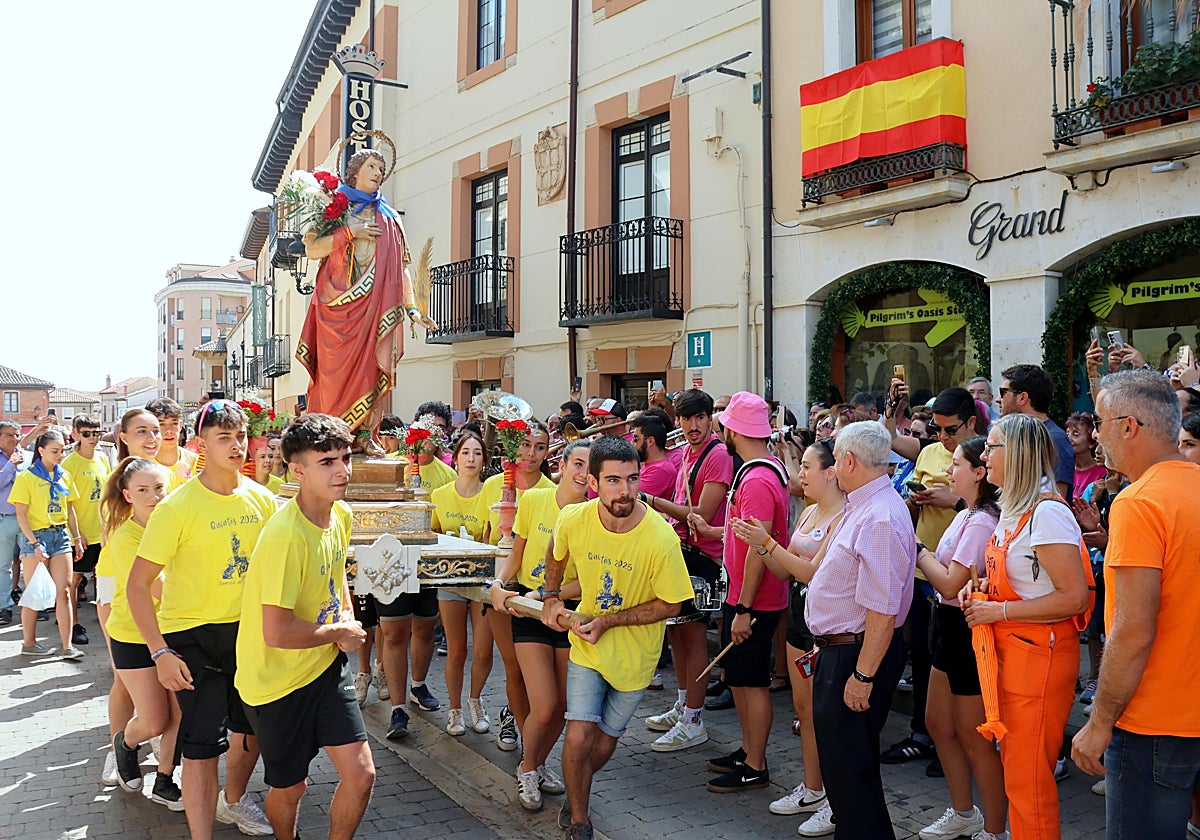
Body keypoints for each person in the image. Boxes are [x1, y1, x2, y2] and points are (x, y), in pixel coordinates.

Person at [126, 399, 275, 839]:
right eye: (223, 438)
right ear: (201, 444)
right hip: (192, 637)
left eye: (240, 436)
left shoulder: (263, 500)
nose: (235, 446)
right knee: (202, 747)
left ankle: (235, 800)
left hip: (248, 635)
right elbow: (138, 586)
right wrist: (160, 652)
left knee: (250, 733)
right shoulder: (176, 506)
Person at [540, 436, 694, 840]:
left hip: (636, 659)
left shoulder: (660, 538)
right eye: (612, 480)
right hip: (587, 651)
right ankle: (579, 820)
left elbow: (674, 604)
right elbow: (555, 550)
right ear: (592, 482)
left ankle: (578, 790)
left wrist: (609, 621)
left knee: (604, 745)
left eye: (631, 479)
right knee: (578, 733)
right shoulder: (574, 518)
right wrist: (551, 596)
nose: (624, 491)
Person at [1071, 370, 1200, 839]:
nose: (1095, 434)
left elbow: (1132, 628)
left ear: (1129, 426)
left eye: (1099, 421)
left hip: (1153, 722)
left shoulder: (1139, 501)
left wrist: (1099, 722)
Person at [236, 414, 376, 840]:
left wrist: (346, 617)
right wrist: (338, 633)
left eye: (346, 458)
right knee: (291, 787)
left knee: (361, 775)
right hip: (275, 682)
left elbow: (335, 579)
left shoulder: (342, 515)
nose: (342, 471)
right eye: (327, 462)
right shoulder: (283, 536)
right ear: (297, 470)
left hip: (325, 668)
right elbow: (275, 632)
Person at [960, 413, 1090, 840]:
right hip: (1016, 655)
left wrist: (998, 613)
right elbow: (1024, 582)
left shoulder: (1047, 513)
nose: (984, 455)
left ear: (1015, 454)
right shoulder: (1015, 508)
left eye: (992, 447)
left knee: (1029, 783)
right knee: (1018, 776)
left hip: (1040, 659)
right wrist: (980, 591)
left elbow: (1075, 598)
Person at [805, 421, 916, 839]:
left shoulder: (880, 516)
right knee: (847, 776)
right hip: (846, 652)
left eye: (834, 458)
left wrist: (862, 676)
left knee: (852, 778)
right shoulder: (867, 506)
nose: (832, 467)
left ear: (849, 461)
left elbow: (883, 611)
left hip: (855, 656)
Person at [731, 437, 843, 836]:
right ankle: (813, 787)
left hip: (826, 624)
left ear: (831, 472)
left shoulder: (844, 515)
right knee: (804, 710)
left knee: (827, 716)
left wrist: (765, 543)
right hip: (799, 618)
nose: (800, 475)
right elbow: (786, 571)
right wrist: (759, 546)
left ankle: (836, 798)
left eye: (806, 467)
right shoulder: (809, 512)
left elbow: (812, 572)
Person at [297, 146, 437, 455]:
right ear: (356, 171)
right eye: (372, 167)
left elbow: (401, 268)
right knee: (332, 379)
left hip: (375, 307)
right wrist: (351, 231)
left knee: (373, 370)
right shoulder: (335, 206)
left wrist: (412, 308)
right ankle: (328, 435)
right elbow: (313, 249)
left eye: (381, 170)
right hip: (336, 307)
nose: (378, 174)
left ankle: (364, 435)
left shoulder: (389, 218)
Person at [884, 386, 987, 773]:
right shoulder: (928, 451)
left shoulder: (981, 454)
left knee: (959, 665)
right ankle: (928, 736)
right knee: (925, 655)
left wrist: (955, 501)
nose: (942, 438)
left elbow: (990, 506)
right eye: (936, 429)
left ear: (971, 423)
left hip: (960, 576)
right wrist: (916, 501)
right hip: (924, 566)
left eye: (950, 430)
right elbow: (889, 440)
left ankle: (960, 742)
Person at [691, 391, 790, 794]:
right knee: (740, 678)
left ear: (734, 429)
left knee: (751, 682)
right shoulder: (759, 470)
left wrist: (745, 607)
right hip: (746, 595)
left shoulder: (758, 477)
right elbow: (744, 534)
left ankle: (756, 763)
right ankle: (749, 750)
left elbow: (757, 546)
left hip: (755, 598)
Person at [489, 439, 591, 811]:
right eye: (577, 464)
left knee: (563, 705)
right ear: (561, 466)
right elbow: (516, 551)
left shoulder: (594, 513)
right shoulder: (532, 500)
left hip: (567, 611)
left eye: (589, 467)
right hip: (530, 611)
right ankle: (528, 768)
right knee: (545, 705)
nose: (582, 473)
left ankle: (540, 761)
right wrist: (500, 584)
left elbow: (588, 578)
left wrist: (550, 594)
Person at [913, 437, 1007, 840]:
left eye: (956, 464)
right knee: (938, 723)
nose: (948, 471)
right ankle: (962, 811)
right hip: (946, 627)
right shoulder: (965, 513)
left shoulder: (983, 519)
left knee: (974, 737)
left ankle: (994, 828)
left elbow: (951, 583)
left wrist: (918, 552)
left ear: (979, 473)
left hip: (967, 630)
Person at [638, 389, 733, 747]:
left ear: (710, 419)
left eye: (700, 418)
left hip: (706, 559)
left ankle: (694, 719)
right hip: (684, 551)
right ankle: (683, 706)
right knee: (677, 632)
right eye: (686, 418)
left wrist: (651, 501)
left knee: (693, 638)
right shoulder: (689, 453)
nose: (693, 425)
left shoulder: (717, 455)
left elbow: (702, 516)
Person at [100, 458, 183, 809]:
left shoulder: (177, 525)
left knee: (182, 713)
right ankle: (126, 743)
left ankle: (166, 778)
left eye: (160, 488)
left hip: (178, 630)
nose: (154, 496)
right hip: (134, 637)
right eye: (143, 490)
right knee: (153, 720)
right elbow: (162, 589)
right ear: (127, 495)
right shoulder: (125, 538)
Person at [483, 420, 555, 749]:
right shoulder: (495, 485)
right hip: (502, 585)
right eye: (525, 445)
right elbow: (487, 537)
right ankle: (518, 724)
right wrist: (494, 582)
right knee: (512, 666)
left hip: (538, 590)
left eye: (539, 447)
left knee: (536, 673)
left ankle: (532, 741)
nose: (531, 453)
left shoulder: (554, 492)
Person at [431, 432, 494, 736]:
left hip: (482, 582)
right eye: (465, 453)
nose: (471, 459)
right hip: (451, 580)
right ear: (454, 458)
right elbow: (432, 535)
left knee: (483, 651)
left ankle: (475, 699)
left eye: (477, 453)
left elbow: (495, 536)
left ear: (484, 460)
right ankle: (454, 709)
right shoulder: (440, 495)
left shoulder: (492, 493)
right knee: (456, 650)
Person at [9, 429, 84, 659]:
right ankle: (29, 642)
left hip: (60, 535)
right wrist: (34, 543)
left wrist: (77, 538)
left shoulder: (64, 475)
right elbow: (21, 514)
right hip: (36, 538)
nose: (60, 455)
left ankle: (67, 645)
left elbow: (70, 509)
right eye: (55, 451)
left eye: (62, 450)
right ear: (40, 450)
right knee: (34, 593)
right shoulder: (27, 478)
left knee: (64, 590)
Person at [63, 414, 109, 644]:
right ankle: (73, 625)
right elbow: (67, 503)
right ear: (76, 434)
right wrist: (76, 534)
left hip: (103, 532)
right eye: (87, 433)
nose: (93, 438)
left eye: (96, 433)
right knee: (73, 581)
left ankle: (108, 622)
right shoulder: (68, 464)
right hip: (80, 535)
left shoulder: (102, 458)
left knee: (105, 579)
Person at [996, 364, 1074, 498]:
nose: (998, 399)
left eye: (1003, 392)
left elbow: (1056, 500)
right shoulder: (1016, 435)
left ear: (1022, 398)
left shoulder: (1055, 439)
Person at [0, 420, 25, 627]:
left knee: (34, 563)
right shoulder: (12, 461)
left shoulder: (24, 457)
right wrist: (10, 466)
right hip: (4, 519)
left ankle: (36, 606)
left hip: (27, 520)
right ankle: (4, 606)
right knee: (3, 567)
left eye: (17, 435)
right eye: (10, 434)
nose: (15, 439)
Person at [145, 397, 199, 485]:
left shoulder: (196, 461)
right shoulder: (142, 466)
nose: (169, 430)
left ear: (181, 425)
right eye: (161, 424)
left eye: (174, 423)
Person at [629, 413, 677, 498]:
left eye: (636, 439)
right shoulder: (652, 465)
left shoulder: (660, 470)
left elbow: (629, 497)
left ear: (650, 441)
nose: (631, 443)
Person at [1065, 413, 1106, 499]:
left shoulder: (1103, 472)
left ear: (1091, 442)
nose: (1068, 438)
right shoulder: (1063, 469)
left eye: (1076, 435)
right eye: (1067, 433)